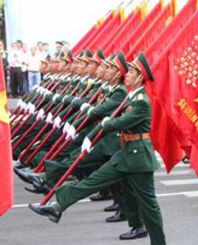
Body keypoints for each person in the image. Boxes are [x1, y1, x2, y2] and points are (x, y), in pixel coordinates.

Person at [29, 51, 167, 245]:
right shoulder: (131, 97)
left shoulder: (141, 102)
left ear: (139, 78)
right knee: (93, 181)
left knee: (149, 207)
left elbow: (117, 123)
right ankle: (58, 206)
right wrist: (94, 134)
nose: (126, 74)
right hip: (125, 153)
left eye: (131, 72)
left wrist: (107, 122)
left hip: (138, 159)